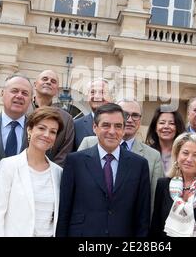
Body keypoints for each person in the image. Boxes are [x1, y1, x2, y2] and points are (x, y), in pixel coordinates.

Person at [56, 103, 151, 237]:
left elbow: (142, 217)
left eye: (118, 126)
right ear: (95, 127)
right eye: (106, 125)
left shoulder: (139, 165)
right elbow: (64, 212)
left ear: (123, 130)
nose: (112, 131)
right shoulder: (75, 162)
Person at [78, 99, 164, 213]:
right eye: (124, 114)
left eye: (135, 115)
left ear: (140, 120)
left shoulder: (153, 156)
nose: (129, 120)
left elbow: (153, 201)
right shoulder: (88, 143)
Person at [0, 106, 64, 237]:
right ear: (29, 130)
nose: (47, 135)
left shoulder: (58, 173)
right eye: (41, 128)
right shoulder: (8, 166)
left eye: (53, 132)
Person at [31, 69, 74, 167]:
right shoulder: (22, 110)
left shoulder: (66, 119)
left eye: (53, 81)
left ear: (57, 90)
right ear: (35, 84)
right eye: (45, 79)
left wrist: (46, 172)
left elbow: (64, 153)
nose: (48, 82)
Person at [0, 73, 33, 166]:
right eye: (14, 91)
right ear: (2, 94)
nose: (19, 96)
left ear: (30, 99)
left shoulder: (35, 129)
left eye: (25, 93)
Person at [73, 78, 112, 151]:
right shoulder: (75, 125)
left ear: (111, 97)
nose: (97, 96)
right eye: (92, 92)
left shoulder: (120, 125)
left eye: (102, 92)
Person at [145, 106, 185, 176]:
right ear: (155, 127)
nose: (166, 126)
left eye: (172, 123)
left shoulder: (184, 153)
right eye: (162, 123)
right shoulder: (146, 152)